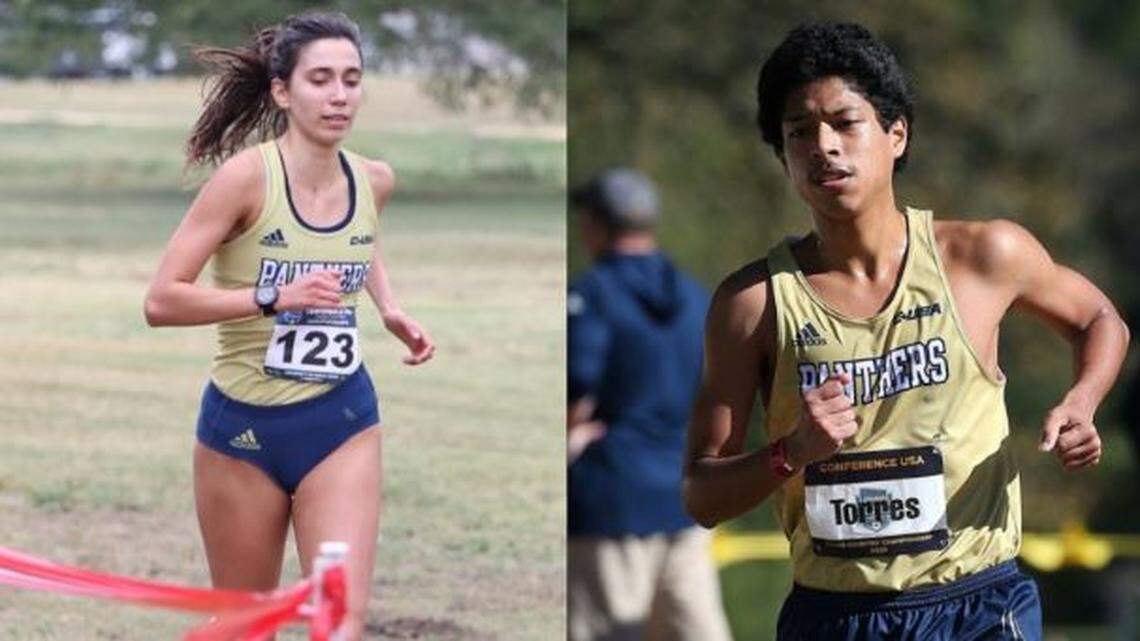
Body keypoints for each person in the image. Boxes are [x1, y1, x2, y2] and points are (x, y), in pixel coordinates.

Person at [683, 22, 1130, 641]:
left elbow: (1100, 319)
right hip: (836, 615)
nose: (823, 146)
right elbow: (702, 496)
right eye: (799, 132)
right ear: (783, 156)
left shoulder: (982, 257)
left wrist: (1082, 402)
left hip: (976, 604)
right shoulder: (752, 303)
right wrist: (793, 451)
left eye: (845, 123)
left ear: (897, 134)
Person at [143, 12, 434, 641]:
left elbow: (361, 240)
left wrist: (387, 305)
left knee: (339, 622)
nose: (339, 95)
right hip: (242, 429)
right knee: (246, 628)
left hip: (341, 419)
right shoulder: (245, 179)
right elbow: (162, 301)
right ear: (282, 91)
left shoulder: (374, 180)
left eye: (351, 79)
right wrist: (274, 297)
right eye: (320, 79)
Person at [568, 168, 731, 641]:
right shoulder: (695, 295)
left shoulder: (593, 294)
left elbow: (577, 384)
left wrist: (570, 435)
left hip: (611, 498)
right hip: (683, 497)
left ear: (595, 224)